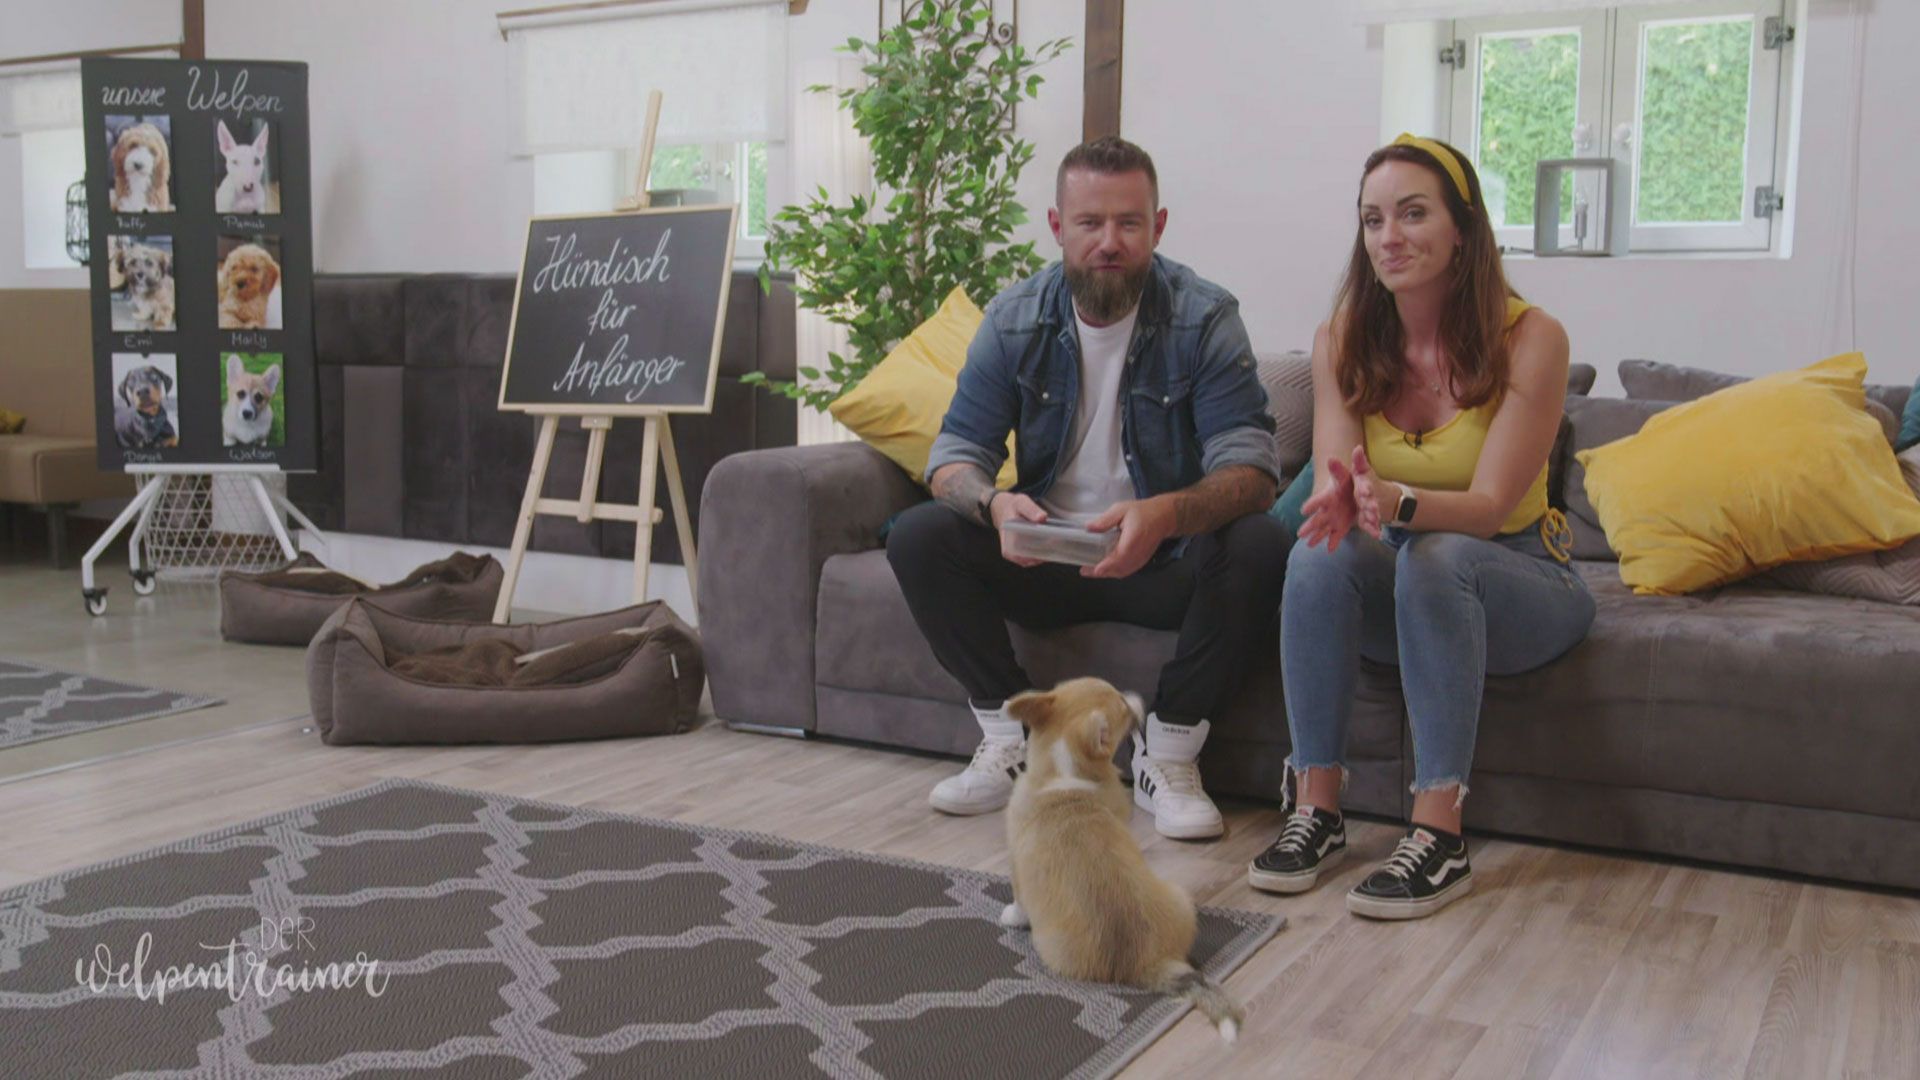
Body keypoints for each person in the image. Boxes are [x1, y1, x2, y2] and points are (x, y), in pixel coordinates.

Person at [886, 136, 1289, 839]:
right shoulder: (1014, 319)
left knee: (1259, 542)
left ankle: (1168, 756)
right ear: (1057, 227)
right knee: (919, 536)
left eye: (1129, 223)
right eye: (1090, 222)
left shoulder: (1204, 318)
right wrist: (994, 504)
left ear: (1157, 227)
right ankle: (1016, 738)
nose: (1109, 241)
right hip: (1045, 557)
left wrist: (1166, 514)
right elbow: (953, 458)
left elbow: (1253, 471)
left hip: (1160, 560)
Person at [1247, 135, 1595, 918]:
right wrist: (1341, 500)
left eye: (1412, 214)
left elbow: (1491, 506)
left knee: (1438, 556)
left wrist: (1395, 501)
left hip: (1521, 581)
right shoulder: (1343, 337)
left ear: (1463, 230)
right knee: (1319, 553)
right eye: (1373, 220)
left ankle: (1440, 833)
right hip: (1406, 581)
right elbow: (1339, 481)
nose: (1389, 238)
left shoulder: (1532, 338)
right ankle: (1316, 809)